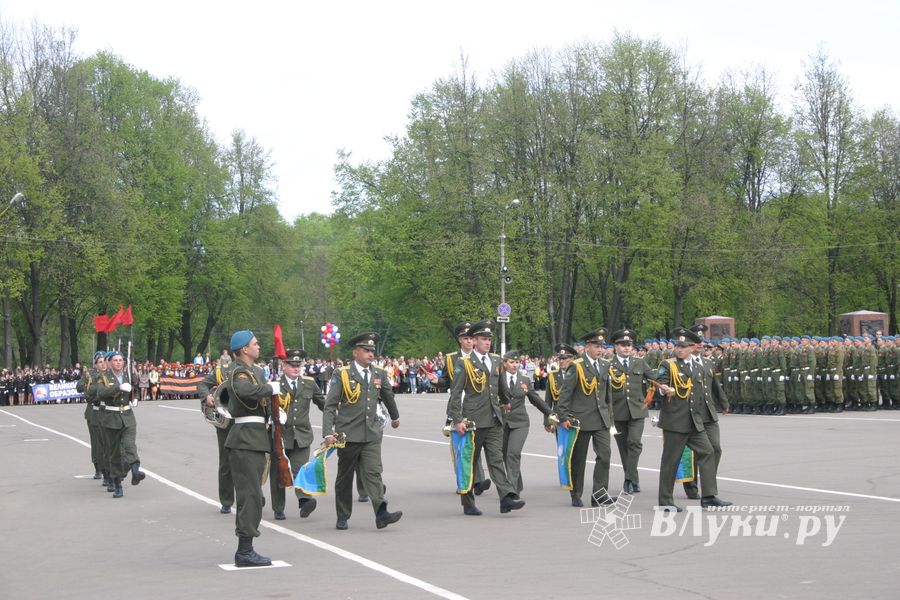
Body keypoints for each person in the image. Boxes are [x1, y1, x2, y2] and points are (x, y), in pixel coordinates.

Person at [323, 332, 402, 531]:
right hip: (348, 434)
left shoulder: (378, 373)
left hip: (371, 433)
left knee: (373, 472)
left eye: (372, 351)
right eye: (366, 350)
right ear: (355, 352)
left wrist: (395, 417)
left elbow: (387, 396)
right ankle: (342, 515)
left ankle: (381, 513)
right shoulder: (342, 374)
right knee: (345, 476)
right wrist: (327, 432)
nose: (370, 354)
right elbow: (330, 405)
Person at [447, 320, 525, 516]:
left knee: (496, 459)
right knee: (469, 462)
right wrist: (456, 420)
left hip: (493, 418)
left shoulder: (496, 360)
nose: (487, 342)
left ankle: (506, 497)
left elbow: (498, 386)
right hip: (472, 419)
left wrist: (506, 401)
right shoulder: (463, 363)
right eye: (483, 339)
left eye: (489, 339)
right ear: (473, 341)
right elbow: (455, 393)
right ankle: (468, 502)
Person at [655, 328, 731, 512]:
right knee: (670, 461)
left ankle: (709, 496)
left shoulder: (699, 366)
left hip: (694, 422)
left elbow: (700, 395)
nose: (679, 349)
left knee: (708, 452)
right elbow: (660, 381)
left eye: (683, 346)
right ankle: (665, 501)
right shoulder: (669, 364)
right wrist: (663, 389)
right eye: (677, 346)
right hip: (675, 422)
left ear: (692, 348)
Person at [225, 330, 276, 567]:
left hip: (256, 438)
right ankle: (244, 551)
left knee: (254, 495)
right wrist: (270, 389)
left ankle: (246, 548)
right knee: (249, 496)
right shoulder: (238, 371)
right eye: (255, 343)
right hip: (244, 439)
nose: (259, 346)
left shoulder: (255, 371)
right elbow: (245, 392)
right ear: (244, 349)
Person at [427, 320, 491, 496]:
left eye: (471, 338)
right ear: (460, 340)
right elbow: (448, 381)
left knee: (475, 443)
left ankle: (477, 480)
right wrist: (436, 381)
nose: (469, 341)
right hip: (459, 406)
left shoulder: (484, 358)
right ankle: (468, 481)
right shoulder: (452, 359)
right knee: (462, 446)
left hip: (479, 407)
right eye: (465, 338)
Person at [556, 328, 614, 507]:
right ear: (587, 347)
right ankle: (576, 494)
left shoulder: (604, 365)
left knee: (605, 455)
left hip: (601, 419)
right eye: (596, 346)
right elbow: (565, 393)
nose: (599, 349)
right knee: (578, 459)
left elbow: (606, 394)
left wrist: (610, 418)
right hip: (581, 420)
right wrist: (563, 416)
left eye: (601, 346)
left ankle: (600, 495)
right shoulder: (577, 365)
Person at [269, 348, 325, 520]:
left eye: (298, 365)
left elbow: (323, 403)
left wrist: (338, 418)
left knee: (300, 469)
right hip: (280, 436)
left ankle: (304, 501)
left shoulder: (309, 383)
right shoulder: (275, 385)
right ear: (284, 365)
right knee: (279, 472)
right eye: (292, 365)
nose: (296, 368)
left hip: (301, 435)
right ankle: (278, 508)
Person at [607, 328, 658, 495]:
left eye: (629, 344)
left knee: (634, 443)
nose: (627, 347)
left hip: (637, 410)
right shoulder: (608, 364)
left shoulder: (640, 362)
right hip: (617, 412)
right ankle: (633, 480)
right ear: (615, 346)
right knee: (623, 447)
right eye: (623, 345)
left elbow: (654, 378)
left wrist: (665, 382)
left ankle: (628, 479)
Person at [92, 350, 145, 498]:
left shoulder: (128, 375)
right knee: (114, 453)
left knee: (129, 445)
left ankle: (135, 471)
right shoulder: (103, 377)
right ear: (110, 362)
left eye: (120, 360)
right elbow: (101, 393)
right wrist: (118, 388)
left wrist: (135, 398)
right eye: (115, 360)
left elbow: (135, 389)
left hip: (127, 416)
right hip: (111, 418)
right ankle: (117, 485)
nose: (118, 363)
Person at [499, 350, 552, 494]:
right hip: (501, 423)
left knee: (513, 453)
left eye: (516, 362)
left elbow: (536, 399)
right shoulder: (497, 379)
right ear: (504, 363)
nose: (514, 365)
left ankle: (512, 490)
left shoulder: (525, 380)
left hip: (520, 423)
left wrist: (550, 413)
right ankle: (517, 483)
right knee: (505, 456)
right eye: (511, 362)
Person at [196, 354, 236, 514]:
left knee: (250, 462)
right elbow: (203, 385)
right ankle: (226, 500)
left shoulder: (254, 370)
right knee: (226, 462)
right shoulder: (221, 371)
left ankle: (254, 496)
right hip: (225, 422)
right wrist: (208, 396)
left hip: (246, 419)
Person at [76, 351, 107, 481]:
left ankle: (109, 470)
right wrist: (88, 382)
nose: (103, 364)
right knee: (97, 443)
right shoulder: (90, 374)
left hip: (109, 411)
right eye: (100, 362)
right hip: (94, 412)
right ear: (95, 364)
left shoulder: (112, 374)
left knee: (108, 443)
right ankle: (98, 468)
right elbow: (79, 387)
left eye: (105, 361)